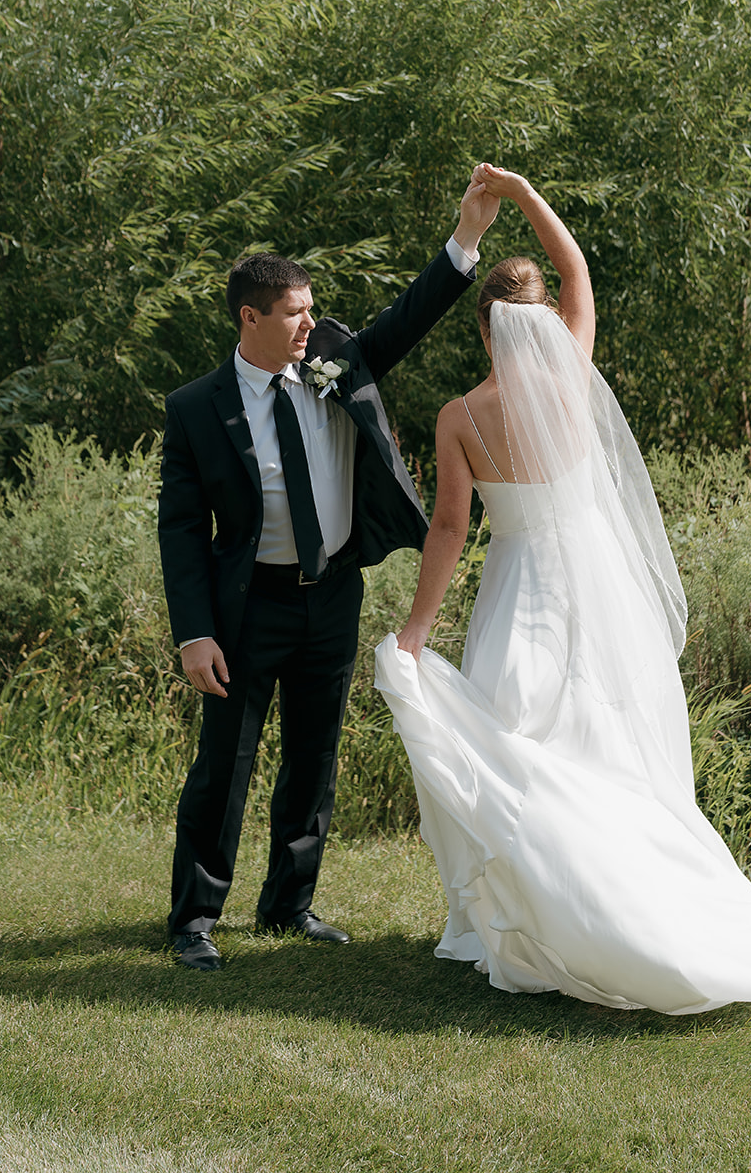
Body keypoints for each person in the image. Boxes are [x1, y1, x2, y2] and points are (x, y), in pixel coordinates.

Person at [375, 165, 751, 1013]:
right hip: (600, 588)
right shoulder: (574, 378)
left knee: (525, 745)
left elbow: (448, 531)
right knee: (610, 750)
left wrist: (415, 631)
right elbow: (578, 266)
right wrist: (519, 193)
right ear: (546, 319)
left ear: (484, 331)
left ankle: (546, 925)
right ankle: (616, 913)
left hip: (518, 592)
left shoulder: (460, 417)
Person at [158, 170, 500, 969]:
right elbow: (180, 530)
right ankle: (195, 920)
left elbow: (405, 322)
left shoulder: (334, 360)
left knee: (313, 758)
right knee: (224, 766)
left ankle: (289, 906)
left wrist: (466, 240)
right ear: (251, 317)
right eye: (296, 311)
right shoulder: (195, 409)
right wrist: (195, 633)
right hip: (246, 609)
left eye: (313, 306)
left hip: (331, 596)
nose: (313, 320)